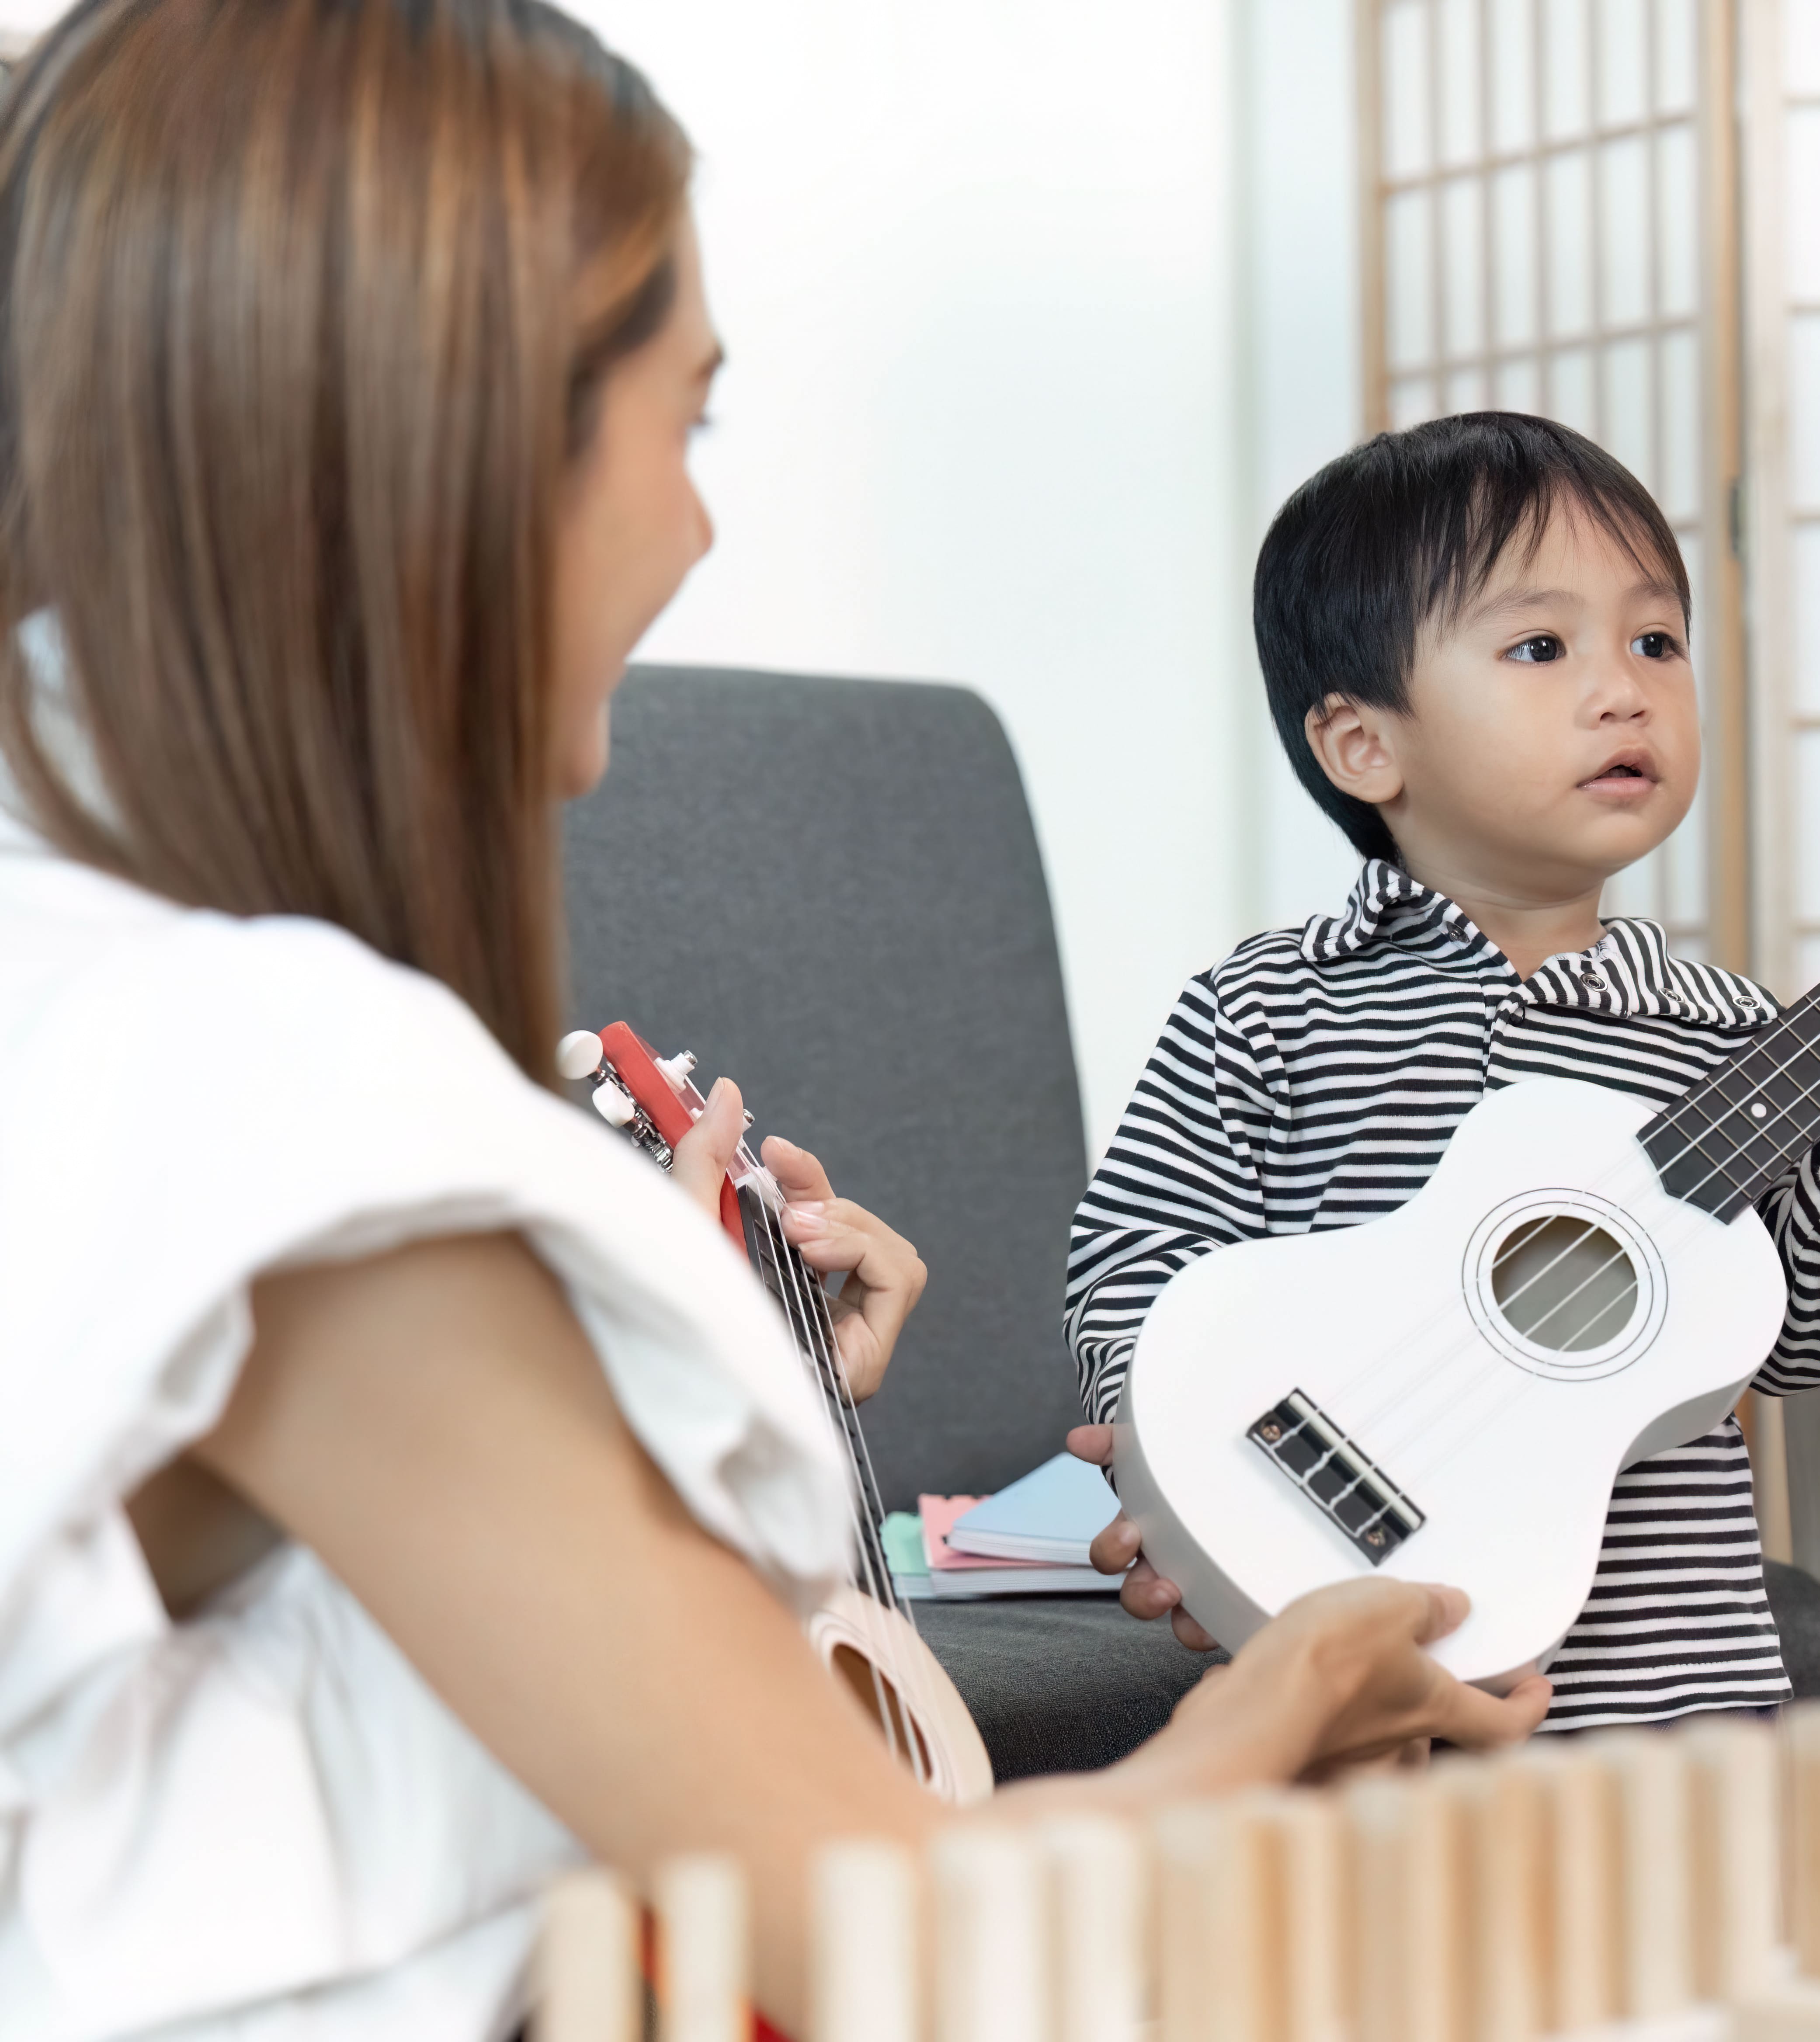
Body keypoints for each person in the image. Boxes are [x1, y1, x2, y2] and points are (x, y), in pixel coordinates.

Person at [0, 7, 1543, 2038]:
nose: (702, 529)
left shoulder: (88, 982)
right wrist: (1286, 1697)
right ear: (460, 450)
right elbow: (882, 1940)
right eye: (691, 424)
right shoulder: (279, 1101)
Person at [1066, 413, 1820, 1727]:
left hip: (1670, 1694)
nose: (1625, 689)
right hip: (1350, 1681)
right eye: (1541, 647)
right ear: (1366, 745)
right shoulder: (1268, 1007)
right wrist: (1180, 1460)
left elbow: (1797, 1336)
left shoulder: (1728, 1034)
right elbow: (1137, 1250)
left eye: (1656, 641)